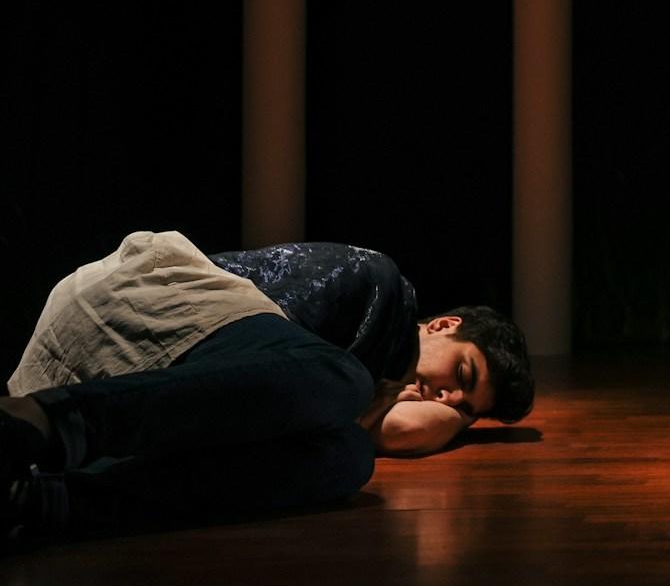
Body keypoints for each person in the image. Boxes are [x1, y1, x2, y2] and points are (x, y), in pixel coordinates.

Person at [1, 230, 534, 548]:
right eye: (461, 378)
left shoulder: (368, 390)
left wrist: (443, 414)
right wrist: (388, 401)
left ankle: (44, 502)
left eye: (466, 412)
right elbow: (345, 397)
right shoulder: (385, 288)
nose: (446, 400)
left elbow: (387, 436)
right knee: (344, 389)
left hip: (157, 373)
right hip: (148, 293)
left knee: (346, 459)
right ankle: (40, 422)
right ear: (443, 326)